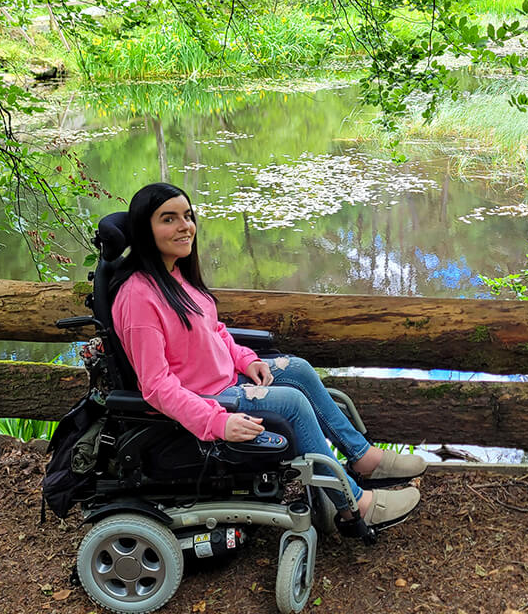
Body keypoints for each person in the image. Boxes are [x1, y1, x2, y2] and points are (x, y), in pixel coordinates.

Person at [109, 182, 425, 530]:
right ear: (144, 229)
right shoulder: (139, 297)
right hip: (204, 398)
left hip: (223, 379)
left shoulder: (177, 276)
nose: (184, 226)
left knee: (299, 369)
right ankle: (352, 506)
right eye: (168, 219)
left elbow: (215, 333)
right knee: (291, 401)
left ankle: (362, 457)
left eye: (187, 216)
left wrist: (247, 360)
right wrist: (217, 422)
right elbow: (155, 386)